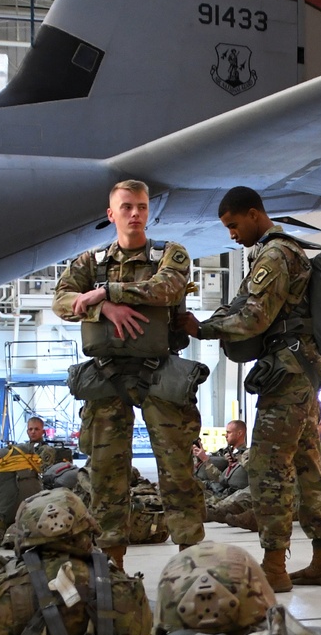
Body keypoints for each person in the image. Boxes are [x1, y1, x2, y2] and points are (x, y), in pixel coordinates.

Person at [181, 186, 321, 594]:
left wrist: (203, 328)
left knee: (269, 468)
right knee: (307, 465)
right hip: (303, 373)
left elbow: (252, 317)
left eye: (234, 225)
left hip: (288, 376)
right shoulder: (275, 253)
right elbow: (238, 304)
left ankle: (274, 566)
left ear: (255, 214)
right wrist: (208, 320)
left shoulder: (274, 254)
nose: (232, 235)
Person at [52, 179, 206, 566]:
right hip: (108, 376)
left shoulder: (170, 254)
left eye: (141, 206)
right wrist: (102, 310)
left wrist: (106, 294)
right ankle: (112, 565)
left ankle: (190, 561)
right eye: (126, 207)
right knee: (106, 474)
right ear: (111, 214)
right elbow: (61, 300)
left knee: (177, 470)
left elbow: (166, 288)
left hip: (161, 374)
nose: (135, 213)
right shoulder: (90, 260)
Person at [194, 420, 249, 496]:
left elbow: (220, 479)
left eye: (229, 432)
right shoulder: (223, 452)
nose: (225, 435)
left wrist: (206, 460)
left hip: (221, 493)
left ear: (239, 433)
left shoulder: (245, 457)